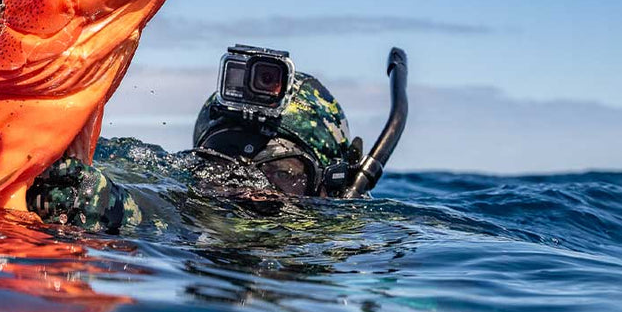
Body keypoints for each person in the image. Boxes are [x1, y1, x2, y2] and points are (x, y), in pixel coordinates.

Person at [26, 44, 408, 232]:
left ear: (333, 187)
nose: (245, 190)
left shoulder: (358, 245)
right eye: (216, 161)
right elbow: (161, 213)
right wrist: (105, 202)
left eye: (282, 174)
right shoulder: (186, 213)